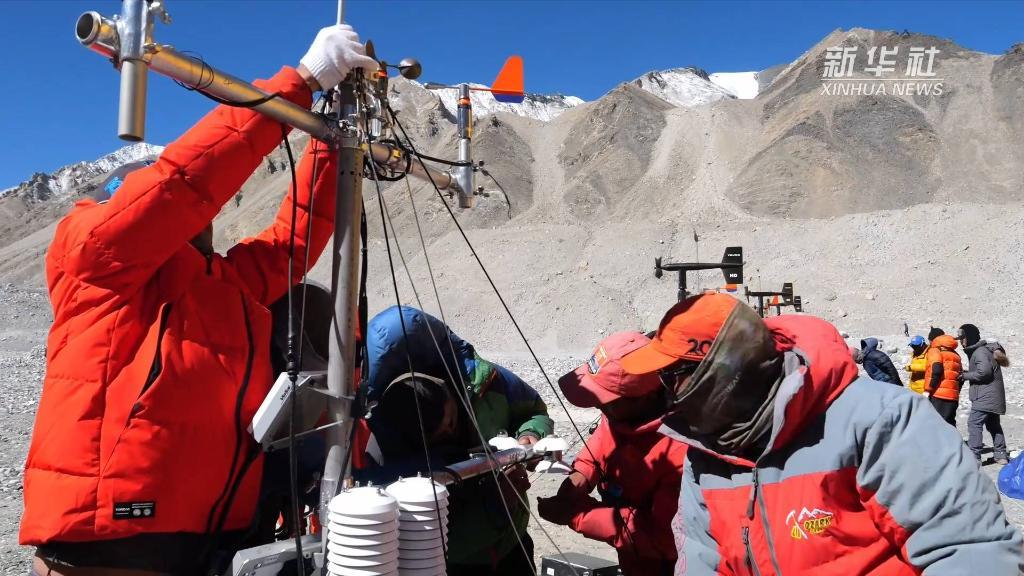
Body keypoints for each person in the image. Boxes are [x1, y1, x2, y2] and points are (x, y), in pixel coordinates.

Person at [20, 24, 378, 575]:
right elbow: (183, 182)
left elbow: (297, 237)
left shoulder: (224, 284)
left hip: (211, 543)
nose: (205, 218)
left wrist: (335, 145)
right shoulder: (93, 253)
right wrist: (300, 82)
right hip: (105, 548)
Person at [619, 293, 1023, 574]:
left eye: (672, 376)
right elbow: (703, 561)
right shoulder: (704, 455)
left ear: (725, 370)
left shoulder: (880, 420)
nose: (665, 391)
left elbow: (971, 550)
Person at [364, 305, 554, 575]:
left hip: (514, 547)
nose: (449, 433)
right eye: (437, 437)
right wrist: (498, 501)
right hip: (456, 565)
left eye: (450, 423)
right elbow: (410, 536)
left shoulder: (486, 383)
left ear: (449, 392)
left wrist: (529, 438)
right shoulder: (382, 447)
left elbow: (533, 411)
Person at [536, 332, 686, 575]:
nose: (598, 404)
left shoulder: (680, 451)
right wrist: (580, 477)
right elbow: (600, 446)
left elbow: (663, 539)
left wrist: (578, 515)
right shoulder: (620, 416)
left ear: (643, 398)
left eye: (607, 400)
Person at [960, 324, 1011, 464]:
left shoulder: (979, 352)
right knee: (993, 425)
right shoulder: (983, 351)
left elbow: (984, 373)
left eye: (963, 338)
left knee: (974, 423)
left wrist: (965, 375)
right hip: (994, 397)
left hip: (985, 396)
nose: (961, 342)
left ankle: (974, 457)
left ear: (969, 337)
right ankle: (1000, 455)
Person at [925, 329, 964, 426]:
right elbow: (961, 376)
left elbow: (936, 370)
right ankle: (954, 441)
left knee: (937, 425)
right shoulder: (955, 354)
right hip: (953, 397)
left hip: (938, 395)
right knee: (950, 424)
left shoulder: (935, 350)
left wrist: (928, 390)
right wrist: (955, 391)